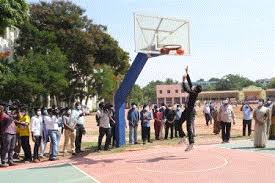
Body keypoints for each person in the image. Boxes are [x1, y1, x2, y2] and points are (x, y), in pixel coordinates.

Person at [179, 66, 202, 151]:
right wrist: (187, 72)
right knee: (178, 123)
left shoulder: (193, 93)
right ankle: (182, 137)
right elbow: (190, 82)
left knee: (188, 126)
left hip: (190, 111)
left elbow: (185, 88)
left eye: (195, 86)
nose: (194, 86)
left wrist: (183, 80)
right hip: (187, 110)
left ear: (196, 89)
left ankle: (191, 143)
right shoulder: (194, 90)